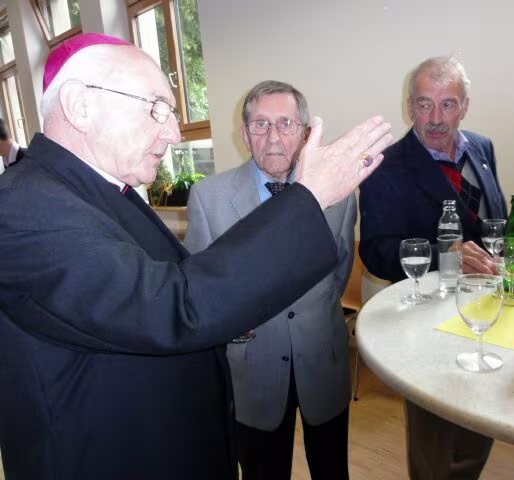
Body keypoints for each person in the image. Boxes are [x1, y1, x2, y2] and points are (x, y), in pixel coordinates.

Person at [0, 33, 392, 480]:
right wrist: (309, 198)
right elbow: (172, 305)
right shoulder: (24, 206)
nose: (173, 132)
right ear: (80, 105)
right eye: (157, 107)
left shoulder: (99, 193)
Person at [184, 80, 355, 480]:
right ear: (244, 135)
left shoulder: (340, 194)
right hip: (252, 372)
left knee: (333, 471)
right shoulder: (209, 198)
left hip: (322, 361)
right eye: (260, 124)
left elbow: (339, 268)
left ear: (305, 134)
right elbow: (201, 289)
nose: (274, 137)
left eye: (285, 123)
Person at [359, 56, 507, 480]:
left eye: (448, 104)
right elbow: (376, 251)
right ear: (409, 106)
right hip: (427, 324)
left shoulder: (483, 148)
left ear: (465, 106)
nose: (436, 118)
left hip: (486, 313)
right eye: (424, 104)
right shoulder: (384, 166)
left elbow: (490, 220)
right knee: (437, 448)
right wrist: (446, 255)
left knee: (479, 425)